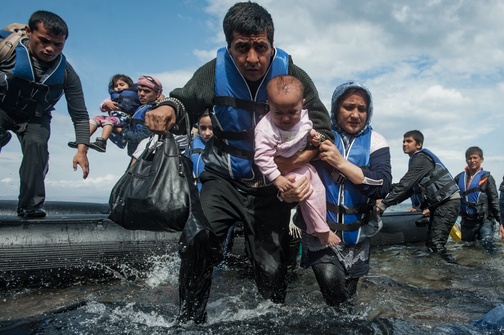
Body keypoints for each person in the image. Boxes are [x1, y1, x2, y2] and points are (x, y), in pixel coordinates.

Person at [144, 2, 333, 323]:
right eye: (241, 48)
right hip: (223, 179)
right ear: (229, 47)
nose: (252, 59)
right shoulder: (213, 72)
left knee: (272, 266)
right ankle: (189, 320)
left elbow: (323, 130)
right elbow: (183, 98)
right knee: (197, 239)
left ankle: (268, 321)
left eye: (260, 47)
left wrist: (292, 171)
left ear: (272, 45)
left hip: (271, 188)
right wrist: (167, 108)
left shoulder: (293, 76)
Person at [296, 81, 391, 306]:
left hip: (357, 235)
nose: (356, 114)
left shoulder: (376, 141)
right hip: (320, 232)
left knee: (348, 300)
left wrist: (340, 163)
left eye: (362, 109)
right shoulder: (317, 135)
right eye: (348, 107)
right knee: (332, 288)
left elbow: (383, 184)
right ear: (336, 108)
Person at [0, 10, 90, 218]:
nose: (50, 49)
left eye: (58, 45)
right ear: (29, 32)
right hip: (3, 108)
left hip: (34, 117)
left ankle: (30, 206)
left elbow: (79, 113)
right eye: (44, 41)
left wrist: (82, 150)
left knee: (36, 145)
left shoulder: (67, 72)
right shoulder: (7, 50)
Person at [254, 75, 339, 246]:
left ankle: (314, 225)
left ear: (302, 104)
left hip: (304, 166)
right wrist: (277, 178)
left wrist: (314, 137)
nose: (286, 119)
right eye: (278, 112)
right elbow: (261, 157)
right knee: (309, 193)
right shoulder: (265, 129)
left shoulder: (304, 118)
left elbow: (308, 130)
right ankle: (322, 231)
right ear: (269, 105)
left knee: (319, 189)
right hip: (284, 172)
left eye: (292, 112)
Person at [377, 130, 460, 263]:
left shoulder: (421, 159)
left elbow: (405, 185)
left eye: (409, 141)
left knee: (435, 244)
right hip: (440, 204)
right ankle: (437, 272)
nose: (404, 144)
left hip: (448, 203)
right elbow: (409, 190)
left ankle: (452, 272)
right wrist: (384, 193)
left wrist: (383, 205)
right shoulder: (415, 161)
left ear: (419, 145)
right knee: (432, 243)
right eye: (403, 141)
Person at [68, 74, 139, 152]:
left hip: (124, 119)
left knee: (108, 120)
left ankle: (102, 142)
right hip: (114, 117)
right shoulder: (112, 97)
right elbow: (102, 107)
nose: (118, 87)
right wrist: (106, 104)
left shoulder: (135, 95)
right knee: (97, 119)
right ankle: (82, 140)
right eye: (116, 86)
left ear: (129, 85)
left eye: (122, 85)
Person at [454, 146, 501, 254]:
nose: (472, 161)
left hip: (485, 220)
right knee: (467, 248)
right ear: (466, 160)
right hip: (467, 222)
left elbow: (494, 200)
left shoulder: (487, 178)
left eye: (475, 158)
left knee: (487, 244)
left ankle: (494, 268)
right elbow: (450, 197)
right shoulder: (458, 178)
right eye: (469, 158)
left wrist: (501, 222)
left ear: (481, 159)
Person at [116, 75, 163, 160]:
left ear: (157, 94)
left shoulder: (154, 111)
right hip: (136, 156)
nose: (141, 94)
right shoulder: (140, 107)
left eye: (146, 91)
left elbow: (140, 138)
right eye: (139, 90)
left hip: (146, 159)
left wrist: (120, 131)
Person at [190, 110, 213, 191]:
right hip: (195, 191)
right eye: (203, 128)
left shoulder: (221, 146)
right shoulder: (192, 145)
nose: (207, 133)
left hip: (213, 193)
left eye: (211, 128)